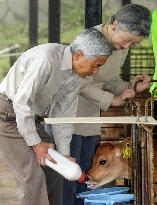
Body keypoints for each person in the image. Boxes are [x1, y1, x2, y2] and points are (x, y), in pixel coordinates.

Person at [0, 28, 115, 205]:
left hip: (31, 120)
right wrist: (36, 143)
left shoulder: (77, 77)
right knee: (32, 176)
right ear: (78, 55)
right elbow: (21, 103)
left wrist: (64, 154)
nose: (95, 71)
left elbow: (64, 117)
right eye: (96, 65)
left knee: (55, 172)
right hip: (7, 115)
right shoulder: (46, 59)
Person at [63, 4, 152, 205]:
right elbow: (77, 80)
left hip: (90, 120)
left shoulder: (118, 46)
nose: (128, 46)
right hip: (68, 117)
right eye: (127, 40)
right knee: (68, 181)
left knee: (87, 181)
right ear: (114, 24)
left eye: (134, 44)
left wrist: (131, 87)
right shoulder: (91, 40)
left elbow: (108, 80)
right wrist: (111, 100)